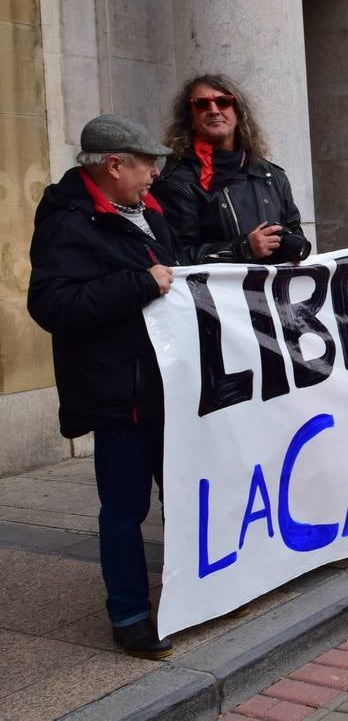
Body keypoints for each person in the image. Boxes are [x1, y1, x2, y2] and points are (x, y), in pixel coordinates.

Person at [28, 115, 179, 659]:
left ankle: (191, 592)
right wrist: (140, 283)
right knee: (123, 508)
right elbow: (52, 305)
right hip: (122, 396)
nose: (154, 175)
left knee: (182, 498)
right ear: (115, 165)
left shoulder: (147, 213)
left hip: (169, 386)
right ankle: (131, 615)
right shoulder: (69, 222)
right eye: (147, 164)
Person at [154, 74, 310, 264]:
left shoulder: (271, 174)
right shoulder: (177, 182)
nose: (213, 110)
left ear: (238, 111)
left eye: (223, 102)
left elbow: (294, 230)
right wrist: (243, 249)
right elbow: (177, 257)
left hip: (274, 290)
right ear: (190, 119)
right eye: (201, 104)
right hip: (220, 293)